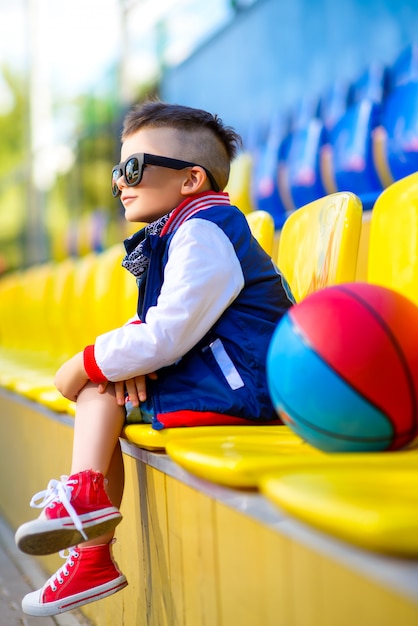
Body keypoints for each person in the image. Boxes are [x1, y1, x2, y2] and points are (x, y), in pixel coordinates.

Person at [15, 100, 294, 617]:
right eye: (117, 170)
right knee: (108, 383)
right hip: (230, 376)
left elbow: (165, 334)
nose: (121, 180)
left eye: (134, 167)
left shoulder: (206, 230)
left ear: (190, 179)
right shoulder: (183, 229)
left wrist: (84, 361)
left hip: (246, 387)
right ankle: (89, 522)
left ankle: (89, 527)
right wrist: (118, 361)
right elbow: (159, 327)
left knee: (97, 382)